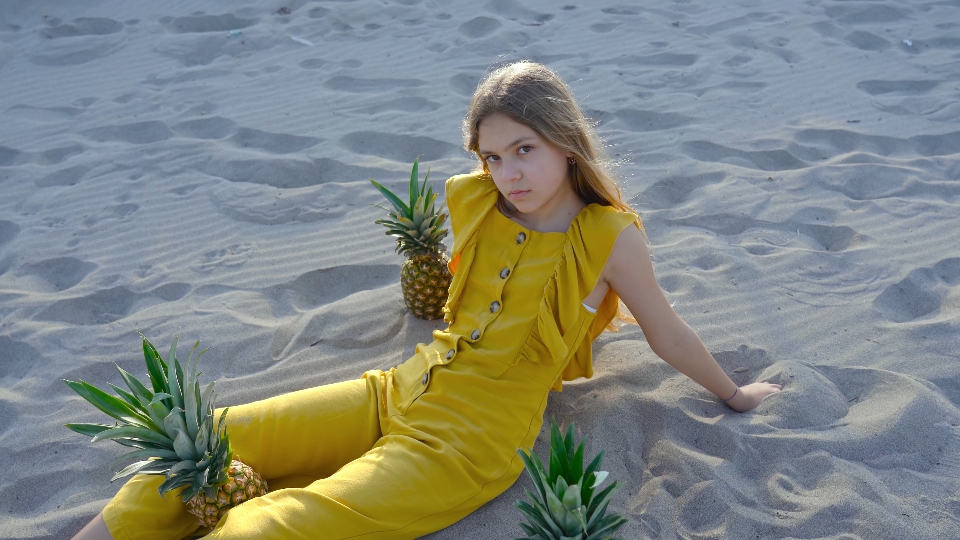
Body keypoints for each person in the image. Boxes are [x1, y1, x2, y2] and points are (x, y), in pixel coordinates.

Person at [73, 60, 782, 540]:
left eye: (525, 149)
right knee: (200, 448)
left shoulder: (606, 235)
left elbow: (667, 334)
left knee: (276, 526)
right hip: (401, 390)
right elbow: (470, 293)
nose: (508, 173)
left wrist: (736, 393)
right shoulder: (475, 201)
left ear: (566, 144)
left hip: (468, 445)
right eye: (492, 156)